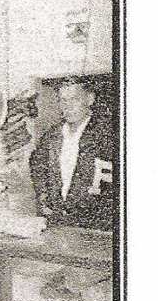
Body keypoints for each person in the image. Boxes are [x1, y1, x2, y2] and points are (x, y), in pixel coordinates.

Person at [29, 78, 116, 231]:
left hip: (93, 226)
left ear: (90, 99)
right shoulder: (52, 136)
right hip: (57, 222)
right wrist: (44, 201)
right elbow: (38, 169)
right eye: (63, 100)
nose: (67, 106)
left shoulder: (106, 135)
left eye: (74, 99)